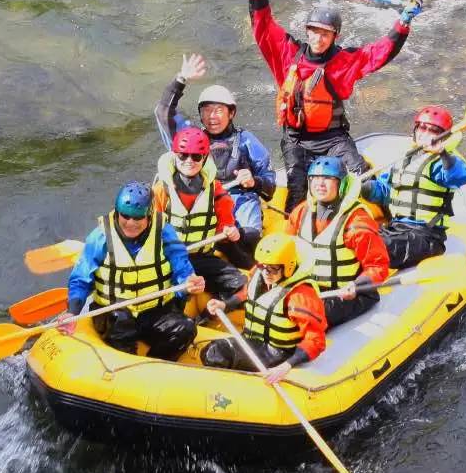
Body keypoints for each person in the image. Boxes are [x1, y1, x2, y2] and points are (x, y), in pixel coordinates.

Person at [247, 0, 422, 211]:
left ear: (335, 36)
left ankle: (392, 210)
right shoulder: (287, 55)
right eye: (314, 32)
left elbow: (378, 53)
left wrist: (403, 22)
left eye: (325, 34)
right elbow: (263, 27)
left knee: (362, 176)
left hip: (333, 139)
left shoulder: (343, 62)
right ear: (307, 31)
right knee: (296, 190)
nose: (318, 39)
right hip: (296, 140)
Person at [63, 182, 203, 359]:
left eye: (138, 218)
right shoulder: (100, 237)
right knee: (122, 321)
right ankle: (125, 364)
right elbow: (81, 279)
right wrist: (73, 311)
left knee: (186, 328)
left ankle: (153, 365)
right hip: (114, 313)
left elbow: (181, 264)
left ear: (149, 215)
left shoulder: (164, 232)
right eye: (125, 216)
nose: (130, 223)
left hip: (155, 311)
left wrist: (189, 281)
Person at [158, 54, 274, 245]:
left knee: (249, 234)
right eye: (206, 110)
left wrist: (254, 182)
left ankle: (243, 245)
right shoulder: (190, 137)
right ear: (200, 114)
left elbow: (270, 185)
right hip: (202, 200)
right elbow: (163, 111)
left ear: (232, 113)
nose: (212, 116)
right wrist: (181, 79)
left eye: (219, 110)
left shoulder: (246, 141)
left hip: (239, 198)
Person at [361, 104, 466, 268]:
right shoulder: (404, 159)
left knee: (374, 246)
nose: (425, 133)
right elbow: (385, 192)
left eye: (433, 130)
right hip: (396, 228)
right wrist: (365, 187)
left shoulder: (441, 162)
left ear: (443, 136)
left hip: (425, 236)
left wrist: (442, 153)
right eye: (422, 128)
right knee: (356, 236)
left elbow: (460, 176)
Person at [203, 232, 327, 379]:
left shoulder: (300, 296)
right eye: (263, 266)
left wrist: (287, 365)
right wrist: (225, 304)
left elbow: (316, 340)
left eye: (273, 268)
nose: (266, 273)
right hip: (253, 341)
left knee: (216, 352)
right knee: (209, 351)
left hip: (277, 353)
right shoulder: (261, 274)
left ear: (288, 266)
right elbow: (247, 294)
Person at [288, 156, 389, 327]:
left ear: (341, 184)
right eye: (315, 178)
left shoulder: (357, 222)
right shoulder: (301, 211)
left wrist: (356, 285)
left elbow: (378, 266)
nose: (320, 184)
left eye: (328, 178)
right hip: (311, 288)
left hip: (350, 293)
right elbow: (284, 248)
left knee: (305, 316)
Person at [153, 127, 248, 299]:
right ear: (175, 155)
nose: (189, 161)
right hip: (170, 260)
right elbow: (150, 231)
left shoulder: (214, 188)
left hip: (202, 257)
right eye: (183, 155)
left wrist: (229, 231)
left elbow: (225, 223)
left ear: (204, 159)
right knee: (176, 296)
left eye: (196, 156)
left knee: (239, 283)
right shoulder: (161, 190)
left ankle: (215, 307)